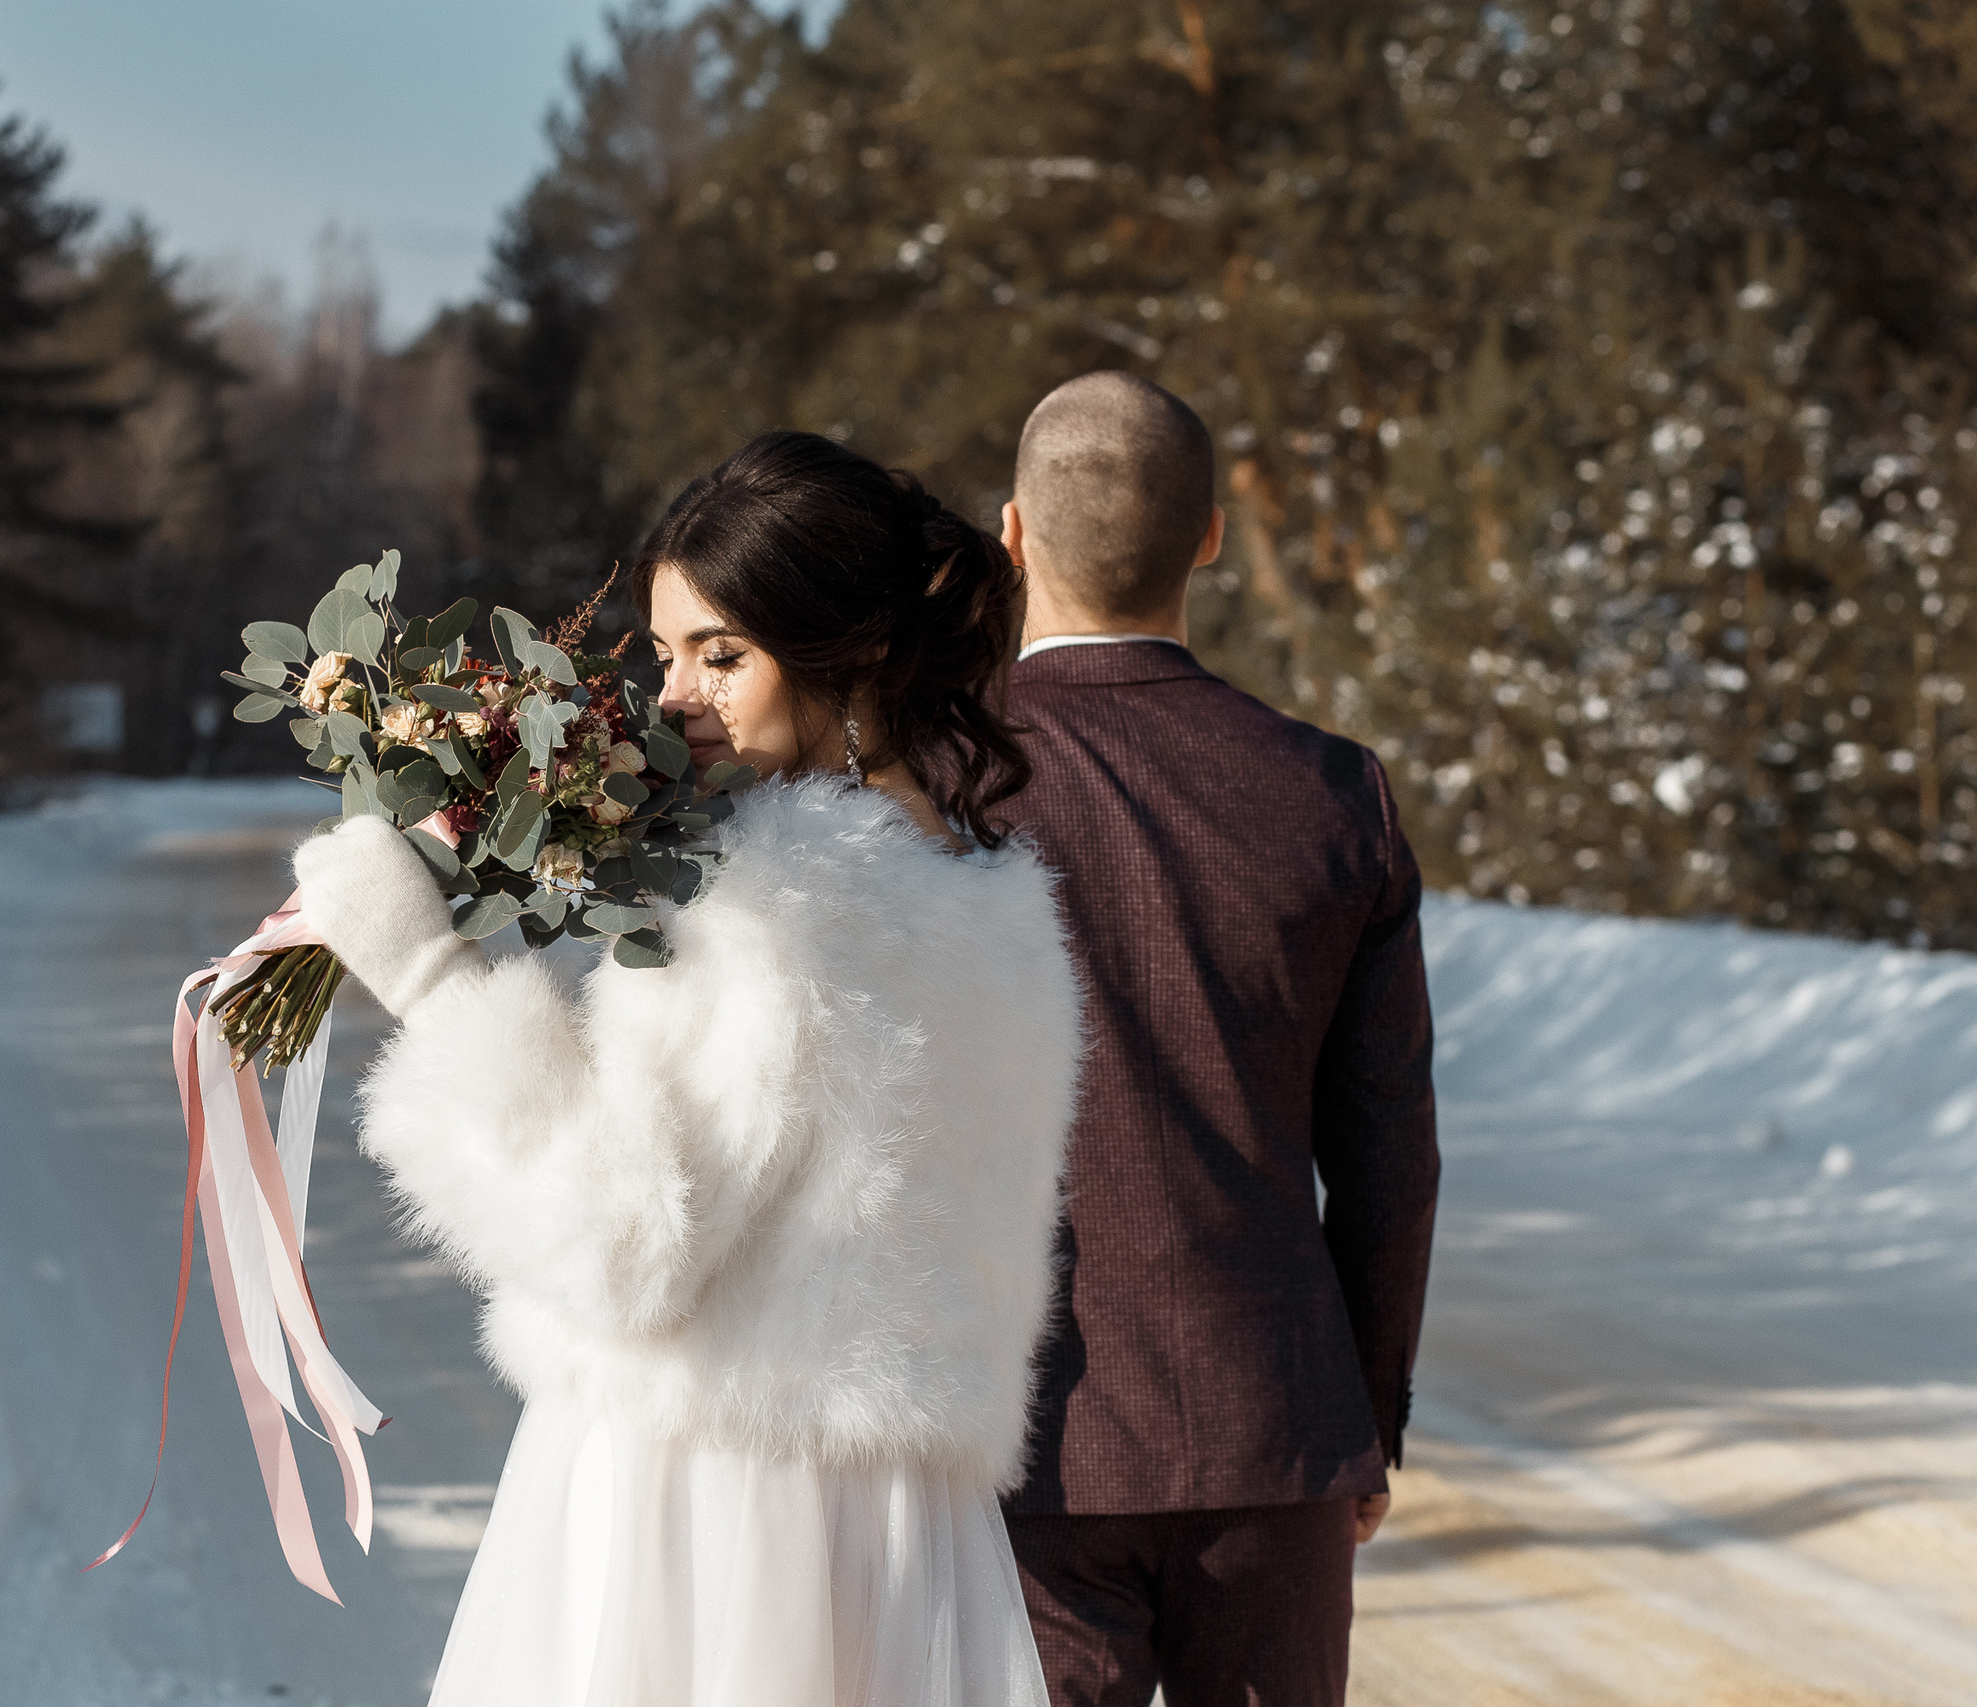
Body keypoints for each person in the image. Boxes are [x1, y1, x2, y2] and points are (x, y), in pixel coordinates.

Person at [292, 429, 1084, 1706]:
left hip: (712, 1504)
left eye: (725, 656)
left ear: (857, 648)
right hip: (896, 1533)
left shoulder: (773, 905)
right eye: (665, 655)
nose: (672, 701)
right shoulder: (997, 913)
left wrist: (431, 978)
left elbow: (621, 1244)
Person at [993, 372, 1440, 1707]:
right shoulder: (1333, 792)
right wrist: (1360, 1414)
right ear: (1211, 536)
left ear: (1011, 532)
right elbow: (1387, 1156)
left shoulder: (933, 783)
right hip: (1272, 1421)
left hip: (1017, 1430)